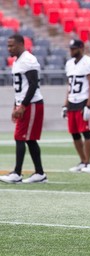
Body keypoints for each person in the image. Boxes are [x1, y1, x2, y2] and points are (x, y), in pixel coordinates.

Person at [0, 34, 47, 184]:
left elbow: (33, 84)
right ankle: (39, 173)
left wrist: (23, 105)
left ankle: (17, 173)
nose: (9, 48)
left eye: (11, 45)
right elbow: (20, 87)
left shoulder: (28, 59)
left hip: (32, 104)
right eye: (8, 45)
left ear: (21, 44)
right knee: (30, 139)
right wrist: (16, 105)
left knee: (20, 137)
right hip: (25, 103)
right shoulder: (17, 61)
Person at [63, 39, 90, 172]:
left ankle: (88, 162)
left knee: (86, 133)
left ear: (81, 48)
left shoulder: (88, 62)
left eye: (74, 48)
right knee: (74, 133)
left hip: (83, 100)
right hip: (72, 101)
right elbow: (69, 85)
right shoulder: (69, 64)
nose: (72, 51)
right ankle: (82, 161)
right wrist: (65, 104)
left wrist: (89, 104)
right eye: (71, 48)